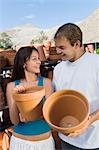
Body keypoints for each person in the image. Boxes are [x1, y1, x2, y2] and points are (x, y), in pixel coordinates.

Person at [53, 23, 99, 149]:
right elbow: (56, 100)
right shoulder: (58, 69)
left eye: (62, 47)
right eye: (56, 48)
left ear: (77, 44)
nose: (58, 52)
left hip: (93, 141)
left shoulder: (96, 63)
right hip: (66, 139)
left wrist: (88, 121)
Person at [6, 46, 55, 150]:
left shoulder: (46, 83)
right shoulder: (11, 86)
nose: (39, 62)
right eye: (34, 59)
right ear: (24, 63)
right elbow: (14, 121)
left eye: (38, 58)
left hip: (44, 143)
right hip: (20, 143)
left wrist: (31, 113)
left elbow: (50, 115)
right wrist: (17, 97)